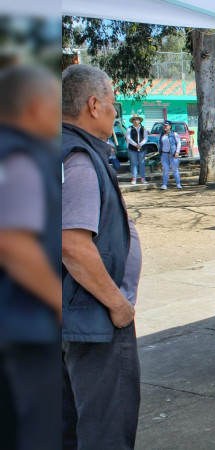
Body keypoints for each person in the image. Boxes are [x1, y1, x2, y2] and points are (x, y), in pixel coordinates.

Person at [61, 64, 141, 449]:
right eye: (113, 101)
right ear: (94, 105)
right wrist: (118, 305)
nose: (115, 110)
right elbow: (73, 246)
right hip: (91, 321)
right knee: (105, 432)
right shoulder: (78, 158)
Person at [0, 64, 62, 450]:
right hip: (25, 327)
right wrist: (57, 301)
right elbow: (13, 243)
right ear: (38, 107)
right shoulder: (20, 157)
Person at [158, 120, 182, 189]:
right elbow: (160, 143)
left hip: (173, 154)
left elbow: (178, 143)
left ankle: (178, 183)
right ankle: (164, 184)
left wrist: (177, 152)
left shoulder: (174, 134)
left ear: (170, 126)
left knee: (175, 169)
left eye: (166, 125)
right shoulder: (162, 134)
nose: (165, 127)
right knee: (165, 169)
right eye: (164, 125)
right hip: (164, 154)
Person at [126, 114, 148, 184]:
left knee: (142, 163)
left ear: (139, 121)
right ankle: (134, 178)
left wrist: (140, 144)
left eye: (137, 119)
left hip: (142, 148)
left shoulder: (144, 128)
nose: (136, 121)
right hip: (132, 148)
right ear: (132, 121)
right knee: (133, 163)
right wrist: (136, 145)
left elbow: (146, 138)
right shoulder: (129, 128)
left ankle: (142, 178)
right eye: (134, 119)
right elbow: (128, 138)